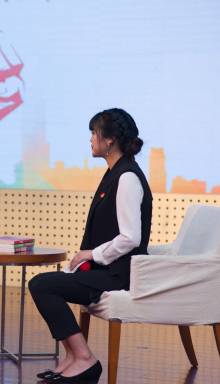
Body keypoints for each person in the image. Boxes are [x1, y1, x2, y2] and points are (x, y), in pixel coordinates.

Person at [29, 108, 153, 383]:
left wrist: (91, 254)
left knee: (43, 285)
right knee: (43, 283)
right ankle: (72, 357)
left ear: (110, 139)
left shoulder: (127, 177)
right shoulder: (114, 172)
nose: (90, 139)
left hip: (119, 274)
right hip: (108, 269)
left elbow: (130, 237)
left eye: (94, 133)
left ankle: (85, 358)